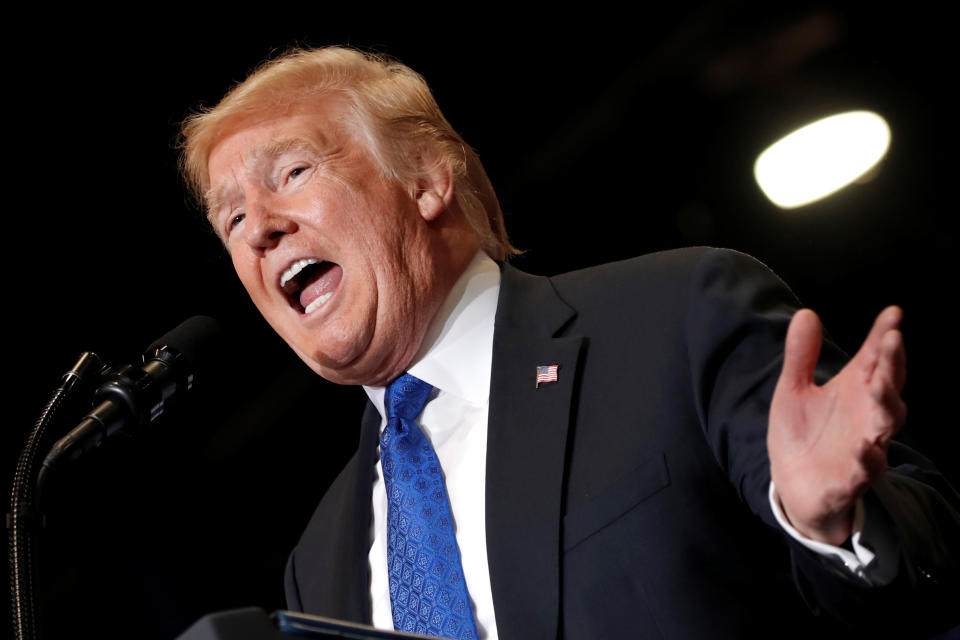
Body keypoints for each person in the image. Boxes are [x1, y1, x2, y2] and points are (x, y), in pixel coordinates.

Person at [179, 47, 959, 639]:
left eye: (292, 173)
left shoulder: (673, 322)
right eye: (231, 221)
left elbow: (928, 575)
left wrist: (832, 525)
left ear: (425, 180)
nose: (261, 230)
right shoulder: (316, 561)